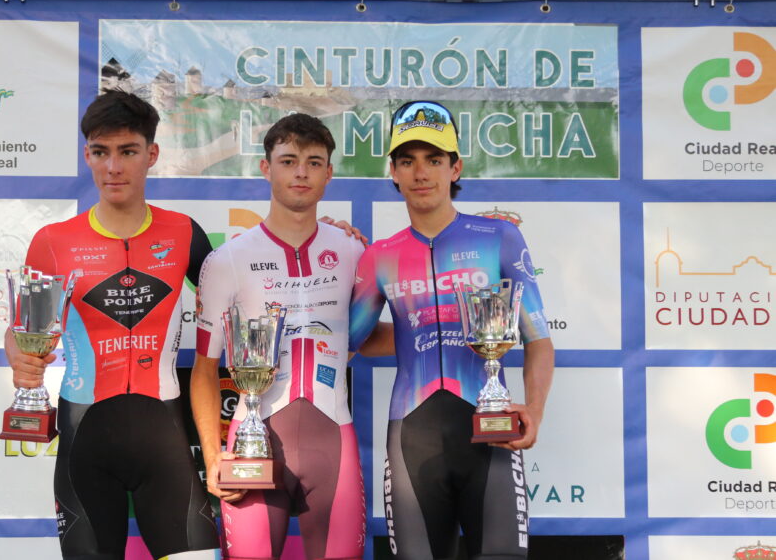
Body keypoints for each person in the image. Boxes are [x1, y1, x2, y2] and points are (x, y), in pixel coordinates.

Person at [5, 90, 219, 559]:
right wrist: (20, 358)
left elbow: (243, 293)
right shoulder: (53, 242)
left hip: (163, 441)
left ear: (151, 155)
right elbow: (24, 331)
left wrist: (324, 229)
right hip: (85, 443)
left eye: (128, 152)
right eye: (101, 153)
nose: (114, 167)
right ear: (87, 156)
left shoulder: (184, 233)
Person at [349, 101, 555, 559]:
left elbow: (538, 339)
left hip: (492, 431)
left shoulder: (498, 236)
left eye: (434, 160)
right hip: (413, 435)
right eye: (408, 160)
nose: (421, 172)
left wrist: (535, 410)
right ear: (395, 173)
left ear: (455, 167)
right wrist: (333, 244)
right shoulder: (378, 256)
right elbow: (354, 343)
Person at [191, 113, 370, 560]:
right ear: (265, 167)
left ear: (329, 173)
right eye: (288, 160)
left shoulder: (353, 251)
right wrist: (214, 457)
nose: (301, 172)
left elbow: (364, 336)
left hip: (334, 439)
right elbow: (204, 368)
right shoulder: (228, 259)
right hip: (253, 439)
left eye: (314, 162)